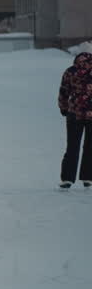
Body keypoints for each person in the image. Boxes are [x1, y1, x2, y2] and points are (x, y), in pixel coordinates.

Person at [58, 52, 92, 189]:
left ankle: (67, 178)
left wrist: (63, 107)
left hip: (74, 113)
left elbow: (63, 91)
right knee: (90, 147)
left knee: (72, 146)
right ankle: (88, 177)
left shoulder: (70, 71)